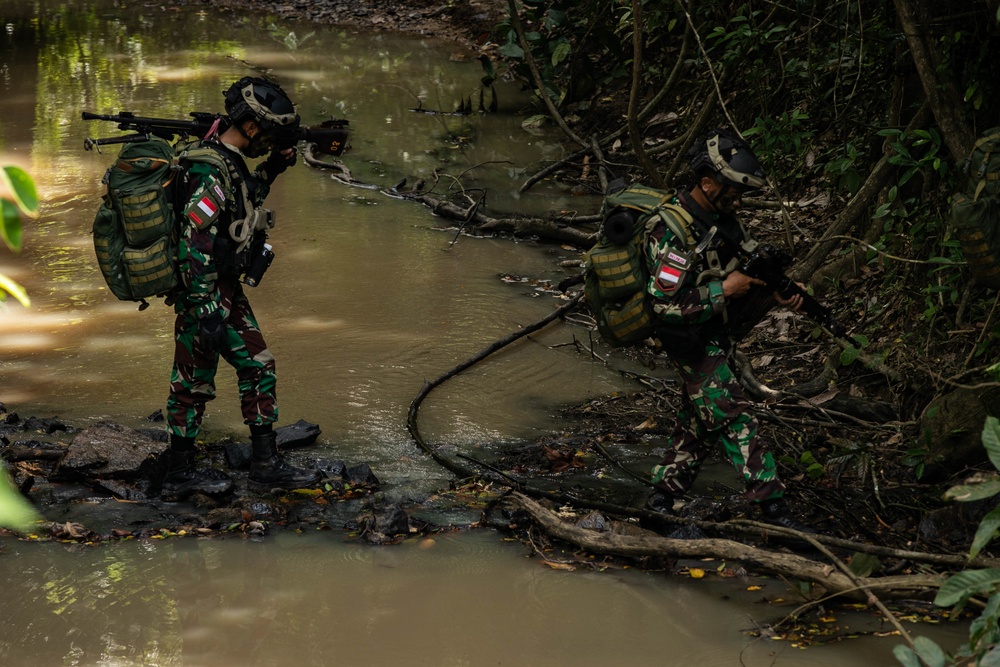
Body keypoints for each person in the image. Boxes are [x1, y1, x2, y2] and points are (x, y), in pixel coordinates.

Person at [160, 76, 322, 500]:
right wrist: (203, 304)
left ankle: (265, 464)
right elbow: (194, 238)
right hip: (206, 292)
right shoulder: (207, 168)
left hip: (226, 289)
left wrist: (273, 168)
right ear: (250, 126)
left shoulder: (230, 162)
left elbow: (244, 202)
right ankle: (179, 472)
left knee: (258, 365)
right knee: (193, 380)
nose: (268, 144)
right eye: (267, 136)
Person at [641, 128, 810, 531]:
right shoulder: (671, 233)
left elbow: (748, 270)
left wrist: (777, 292)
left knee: (700, 421)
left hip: (712, 333)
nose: (739, 199)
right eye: (732, 190)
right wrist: (723, 289)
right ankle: (777, 515)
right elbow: (664, 308)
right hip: (685, 338)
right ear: (706, 183)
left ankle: (660, 503)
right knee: (735, 415)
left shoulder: (721, 220)